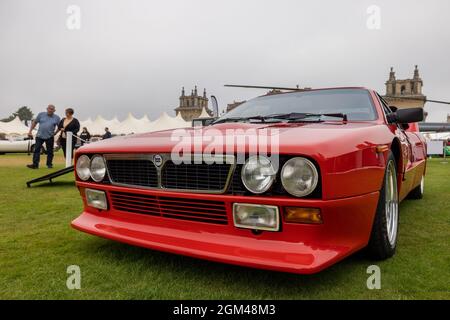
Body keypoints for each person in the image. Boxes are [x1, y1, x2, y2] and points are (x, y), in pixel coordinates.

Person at [27, 105, 60, 169]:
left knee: (50, 151)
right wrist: (30, 131)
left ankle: (49, 164)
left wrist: (55, 133)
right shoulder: (41, 114)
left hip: (50, 136)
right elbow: (35, 122)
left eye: (52, 109)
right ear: (47, 109)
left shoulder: (57, 118)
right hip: (39, 136)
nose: (50, 110)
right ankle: (35, 164)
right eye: (49, 109)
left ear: (54, 110)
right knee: (36, 150)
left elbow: (60, 127)